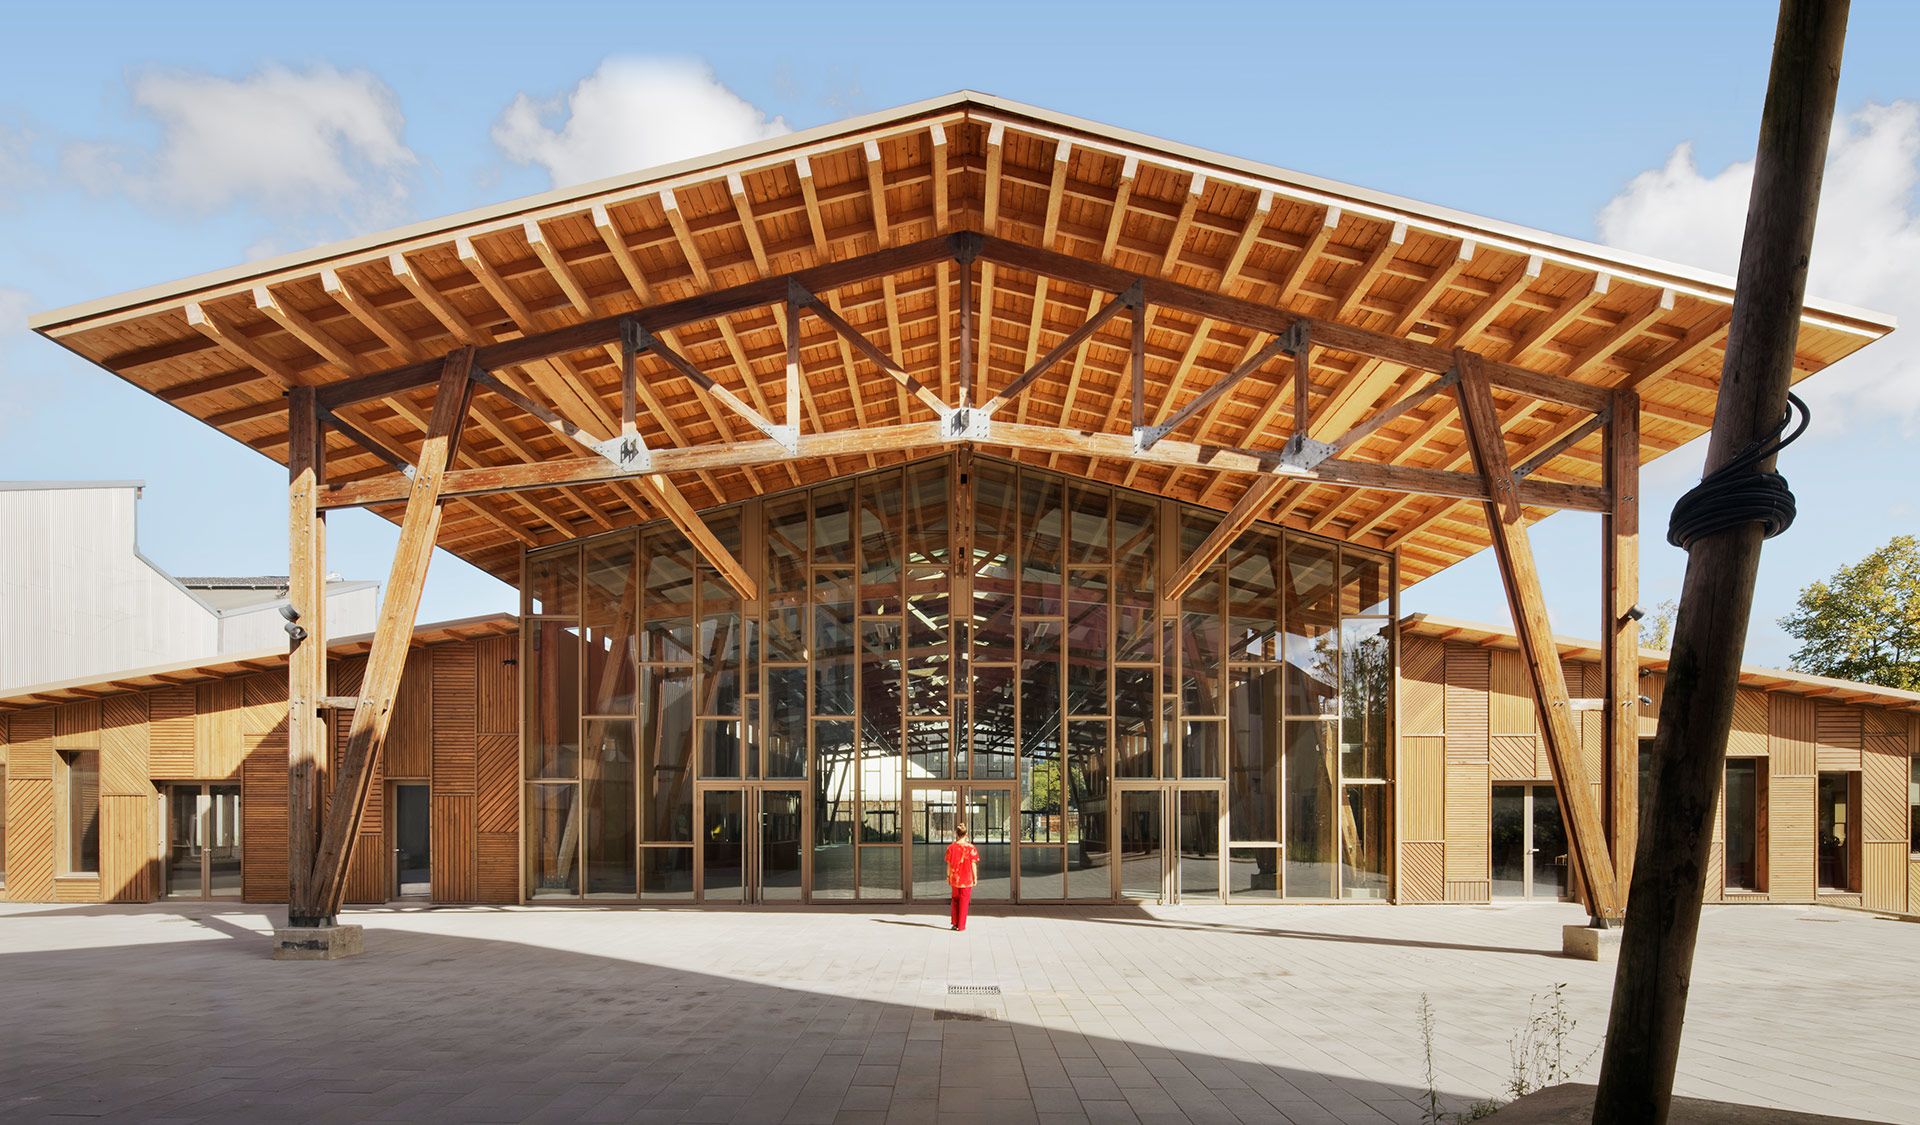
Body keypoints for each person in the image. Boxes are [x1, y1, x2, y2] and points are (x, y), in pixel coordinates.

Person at [945, 823, 979, 931]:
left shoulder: (951, 848)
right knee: (964, 901)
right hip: (967, 879)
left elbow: (949, 864)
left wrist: (948, 876)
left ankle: (954, 923)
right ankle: (961, 925)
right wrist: (975, 877)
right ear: (966, 835)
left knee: (955, 899)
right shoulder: (971, 848)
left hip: (955, 878)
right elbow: (973, 864)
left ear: (956, 834)